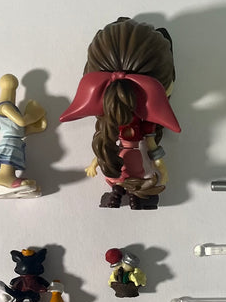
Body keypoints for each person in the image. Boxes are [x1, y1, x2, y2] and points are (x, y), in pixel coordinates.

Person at [60, 18, 181, 209]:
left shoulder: (113, 123)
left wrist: (96, 162)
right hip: (130, 157)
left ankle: (127, 195)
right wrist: (160, 165)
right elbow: (148, 146)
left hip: (129, 157)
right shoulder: (136, 124)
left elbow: (106, 142)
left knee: (126, 177)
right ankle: (124, 195)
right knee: (125, 177)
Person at [0, 74, 47, 198]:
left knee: (10, 159)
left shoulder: (10, 108)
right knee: (8, 159)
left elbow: (19, 130)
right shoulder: (4, 106)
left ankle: (9, 179)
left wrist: (36, 128)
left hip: (14, 140)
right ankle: (3, 180)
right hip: (10, 141)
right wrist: (35, 114)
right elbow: (22, 122)